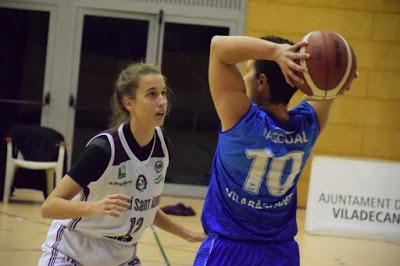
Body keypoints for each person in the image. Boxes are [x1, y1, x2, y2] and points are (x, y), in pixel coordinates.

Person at [194, 36, 357, 265]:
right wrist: (340, 79)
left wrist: (275, 52)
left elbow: (218, 47)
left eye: (248, 71)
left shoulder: (240, 120)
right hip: (282, 254)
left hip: (229, 249)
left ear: (261, 81)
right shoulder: (309, 126)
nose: (243, 77)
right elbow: (328, 90)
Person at [38, 62, 205, 266]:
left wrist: (187, 233)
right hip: (73, 251)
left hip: (121, 258)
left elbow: (145, 208)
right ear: (129, 103)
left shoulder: (163, 147)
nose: (162, 101)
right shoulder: (104, 149)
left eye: (163, 93)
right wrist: (93, 207)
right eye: (152, 94)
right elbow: (49, 207)